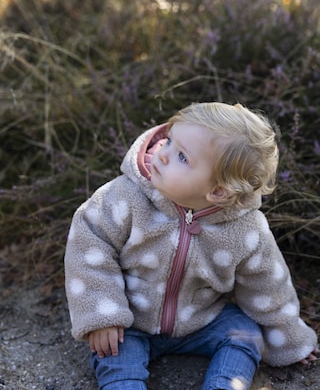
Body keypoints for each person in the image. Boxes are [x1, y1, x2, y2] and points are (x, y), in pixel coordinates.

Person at [65, 102, 318, 390]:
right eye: (169, 141)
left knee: (247, 335)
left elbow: (268, 287)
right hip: (130, 321)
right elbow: (88, 248)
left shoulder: (246, 230)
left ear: (218, 191)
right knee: (116, 358)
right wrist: (102, 317)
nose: (162, 155)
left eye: (182, 157)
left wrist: (290, 340)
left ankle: (223, 384)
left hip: (202, 320)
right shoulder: (123, 197)